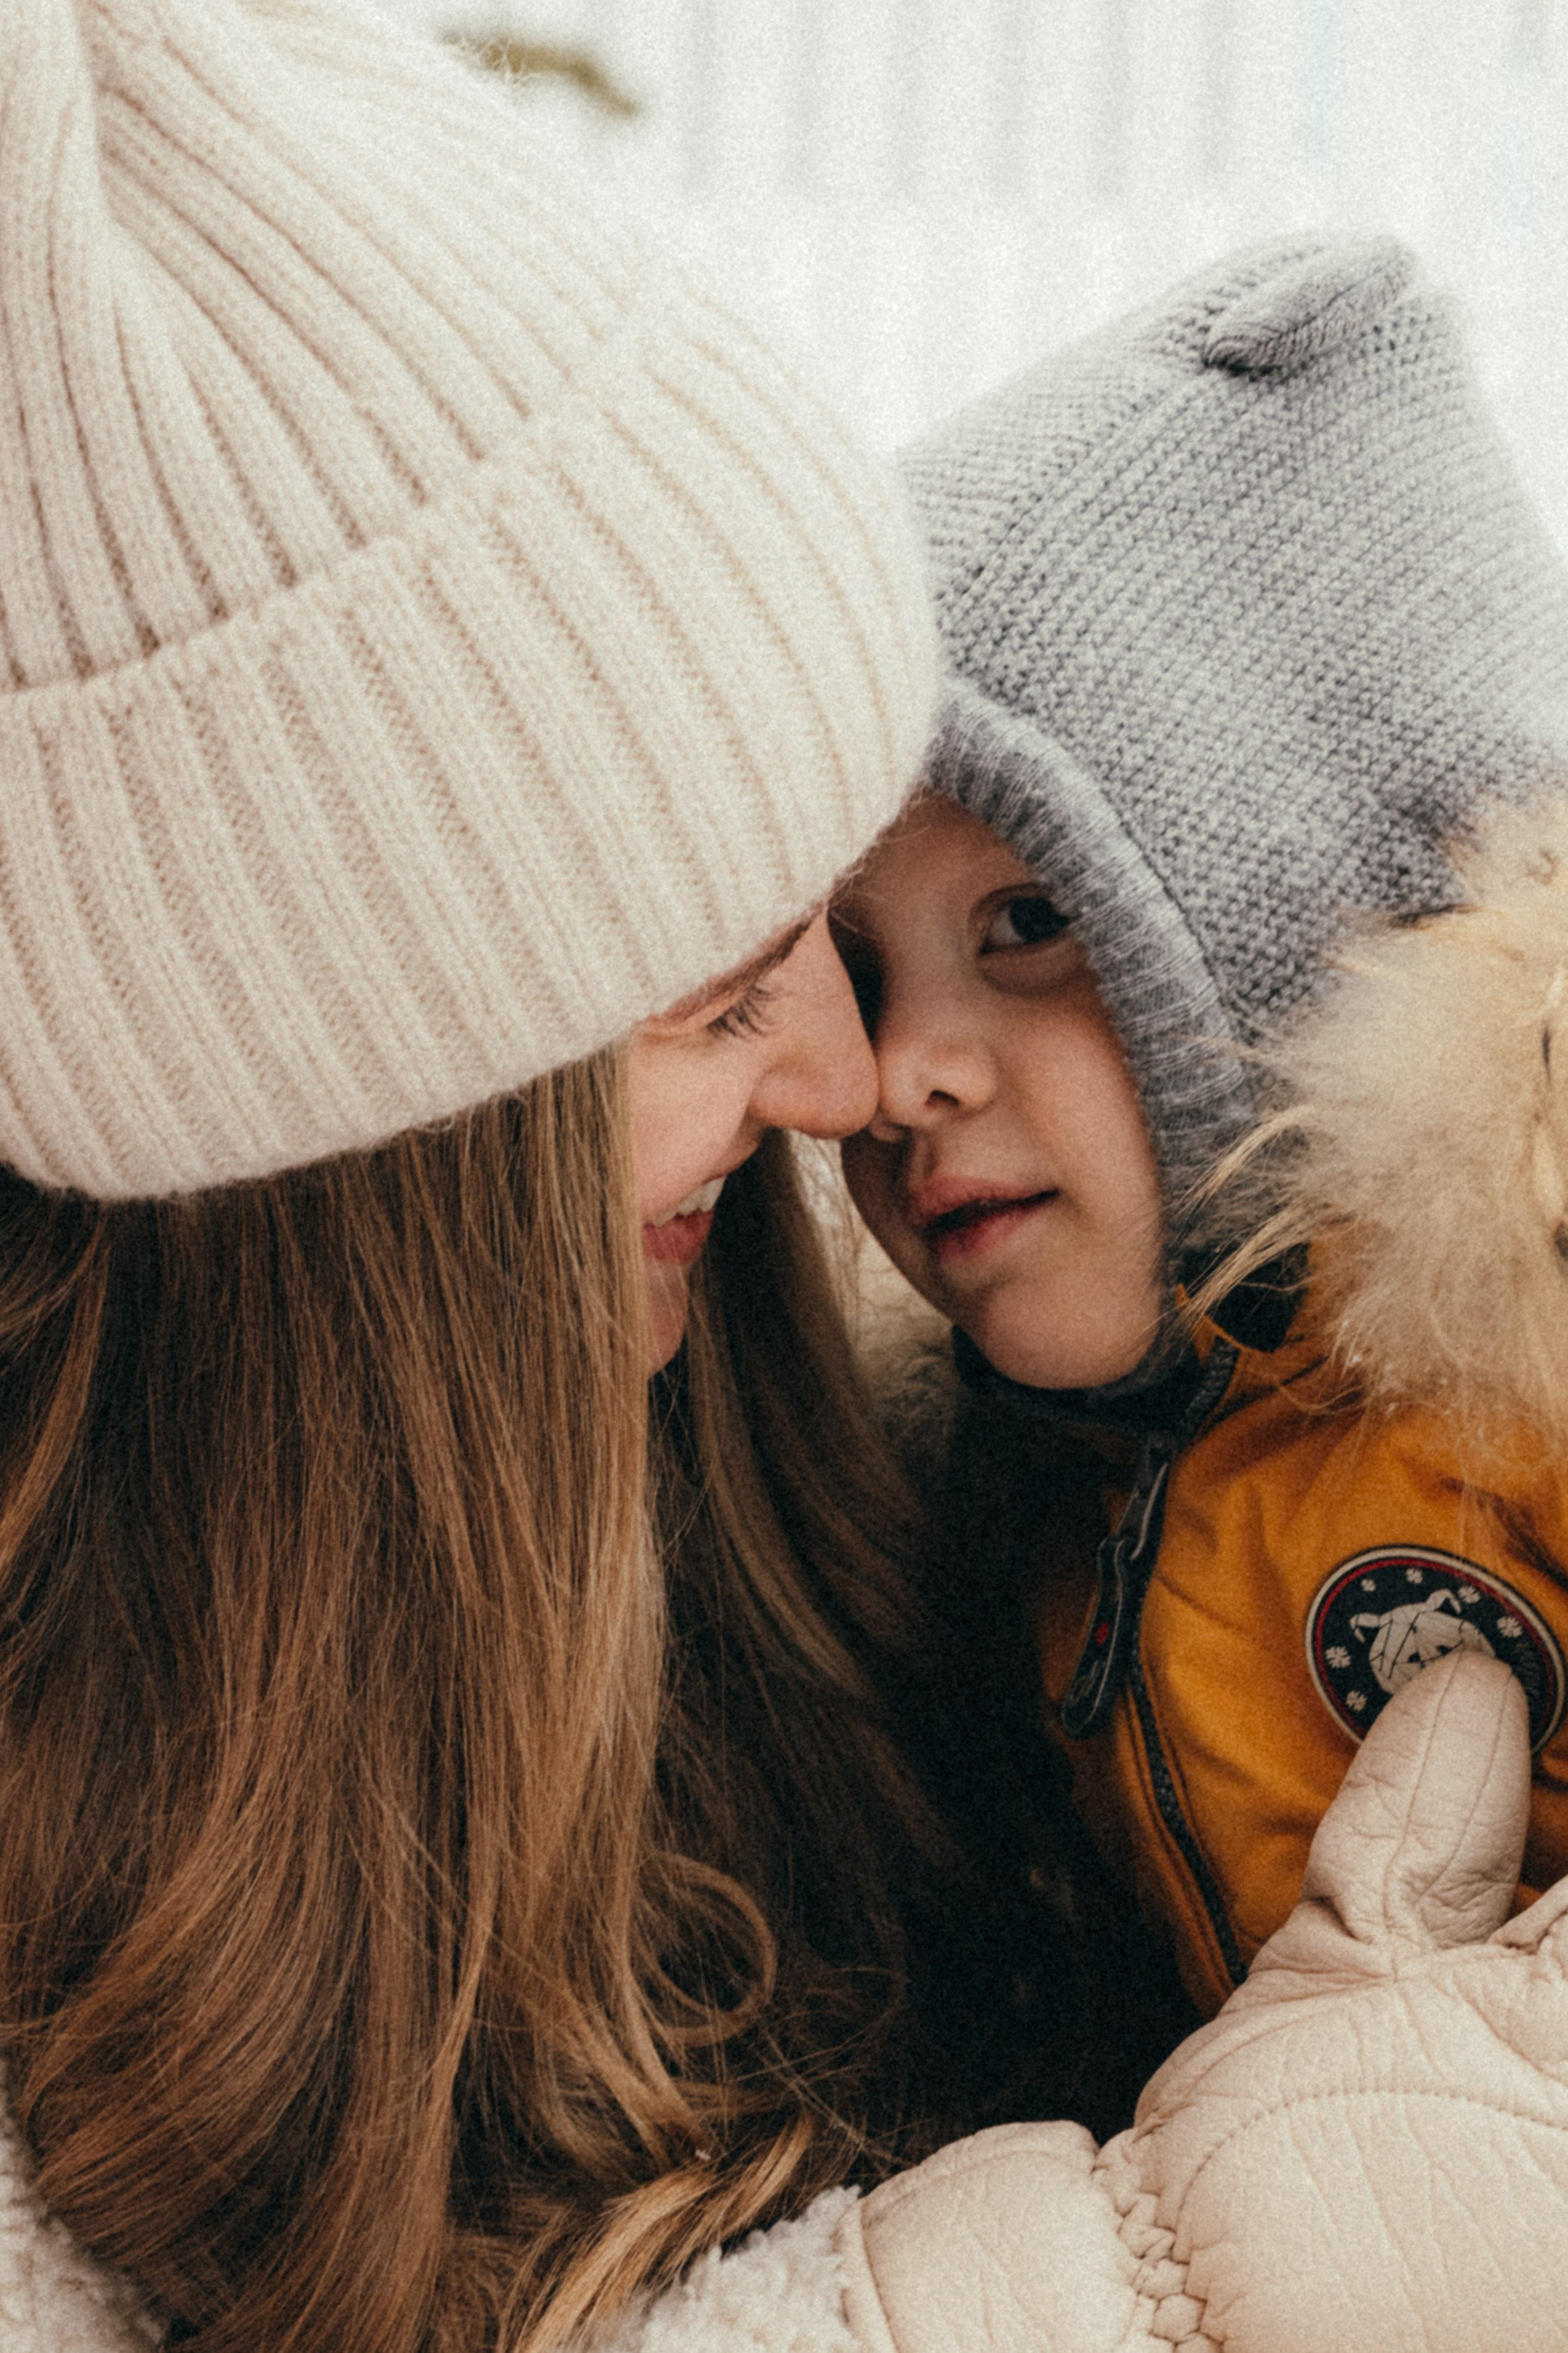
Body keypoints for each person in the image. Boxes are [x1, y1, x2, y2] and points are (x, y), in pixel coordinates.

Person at [3, 17, 1568, 2348]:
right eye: (731, 980)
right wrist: (1204, 2275)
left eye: (1009, 928)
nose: (848, 1081)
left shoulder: (827, 1499)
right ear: (364, 1125)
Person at [835, 234, 1568, 2015]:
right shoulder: (1023, 1490)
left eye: (1029, 925)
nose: (898, 1073)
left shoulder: (1528, 1381)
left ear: (1314, 911)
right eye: (857, 976)